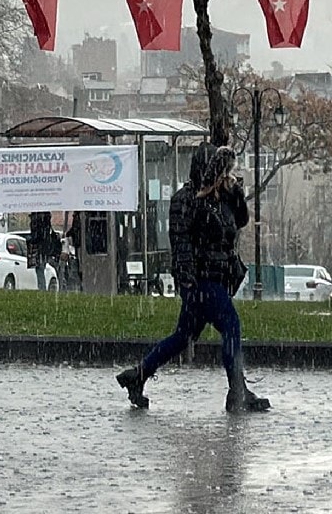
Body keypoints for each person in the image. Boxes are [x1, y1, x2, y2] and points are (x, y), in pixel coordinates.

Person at [115, 143, 269, 413]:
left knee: (182, 336)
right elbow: (181, 242)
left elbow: (242, 220)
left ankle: (137, 375)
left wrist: (236, 194)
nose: (224, 177)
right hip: (201, 281)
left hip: (217, 278)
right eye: (220, 171)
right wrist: (187, 281)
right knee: (231, 326)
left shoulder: (222, 197)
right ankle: (237, 392)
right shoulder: (186, 199)